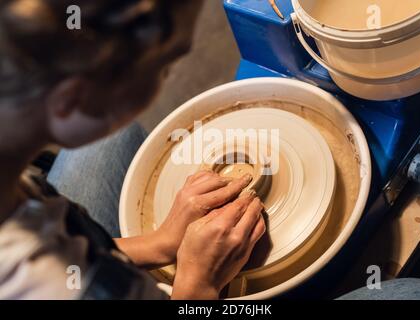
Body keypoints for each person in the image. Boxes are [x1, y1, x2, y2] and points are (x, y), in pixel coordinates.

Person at [0, 0, 266, 299]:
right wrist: (199, 283)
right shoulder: (56, 285)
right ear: (73, 101)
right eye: (165, 67)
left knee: (110, 138)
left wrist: (159, 243)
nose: (164, 79)